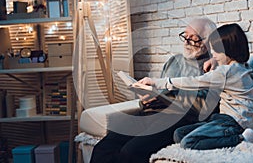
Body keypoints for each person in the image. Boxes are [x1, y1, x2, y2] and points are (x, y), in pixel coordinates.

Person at [90, 18, 220, 163]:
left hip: (177, 120)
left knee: (130, 152)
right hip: (151, 112)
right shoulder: (174, 61)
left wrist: (169, 98)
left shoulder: (214, 67)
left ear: (208, 42)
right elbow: (160, 89)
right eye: (185, 36)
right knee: (104, 147)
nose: (186, 42)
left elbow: (205, 107)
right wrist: (147, 97)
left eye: (193, 39)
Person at [139, 23, 253, 151]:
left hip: (236, 123)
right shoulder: (241, 67)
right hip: (224, 118)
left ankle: (242, 139)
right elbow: (226, 68)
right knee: (179, 134)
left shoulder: (225, 73)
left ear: (228, 50)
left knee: (188, 142)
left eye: (215, 50)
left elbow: (193, 82)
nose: (212, 54)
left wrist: (157, 82)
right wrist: (216, 60)